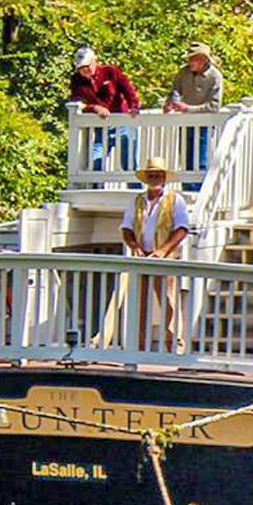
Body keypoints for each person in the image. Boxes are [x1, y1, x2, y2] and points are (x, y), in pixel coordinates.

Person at [119, 157, 190, 352]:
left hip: (165, 259)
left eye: (158, 174)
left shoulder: (175, 199)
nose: (155, 177)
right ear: (146, 178)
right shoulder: (138, 200)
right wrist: (135, 247)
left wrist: (162, 251)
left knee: (169, 302)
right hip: (142, 258)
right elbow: (126, 228)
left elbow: (182, 228)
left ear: (165, 177)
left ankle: (175, 347)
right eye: (151, 175)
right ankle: (137, 347)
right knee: (138, 303)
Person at [69, 46, 141, 176]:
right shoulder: (76, 80)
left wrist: (134, 106)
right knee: (96, 163)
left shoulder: (110, 72)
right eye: (81, 68)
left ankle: (135, 192)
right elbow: (76, 102)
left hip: (122, 122)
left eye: (87, 66)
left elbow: (128, 89)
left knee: (128, 163)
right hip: (101, 127)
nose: (85, 70)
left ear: (94, 61)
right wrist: (94, 108)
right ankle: (95, 192)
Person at [164, 42, 225, 190]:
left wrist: (188, 108)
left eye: (192, 59)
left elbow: (214, 106)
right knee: (186, 159)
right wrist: (170, 102)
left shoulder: (215, 76)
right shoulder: (183, 72)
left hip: (204, 124)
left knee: (200, 159)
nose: (189, 62)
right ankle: (187, 191)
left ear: (203, 59)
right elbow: (175, 90)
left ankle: (199, 193)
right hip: (185, 122)